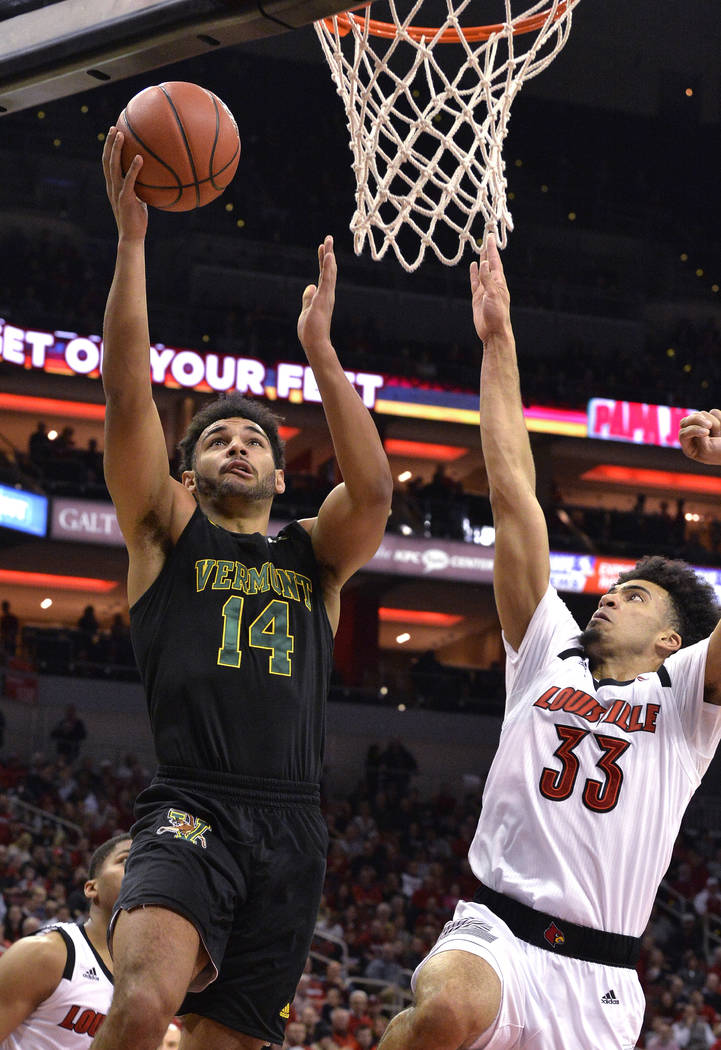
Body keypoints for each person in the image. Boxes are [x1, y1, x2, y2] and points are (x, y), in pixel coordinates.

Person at [377, 237, 721, 1050]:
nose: (607, 597)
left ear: (672, 638)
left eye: (631, 596)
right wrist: (497, 342)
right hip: (492, 931)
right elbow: (512, 493)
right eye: (611, 588)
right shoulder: (546, 650)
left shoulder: (685, 703)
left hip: (597, 979)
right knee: (445, 1011)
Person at [92, 126, 392, 1050]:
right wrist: (134, 241)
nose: (238, 445)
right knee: (144, 1004)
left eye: (255, 441)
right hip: (193, 800)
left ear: (277, 477)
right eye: (218, 439)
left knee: (229, 1044)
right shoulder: (163, 532)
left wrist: (321, 353)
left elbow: (373, 490)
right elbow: (126, 391)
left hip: (295, 825)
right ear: (185, 473)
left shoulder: (313, 554)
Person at [0, 833, 130, 1048]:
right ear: (91, 888)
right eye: (127, 860)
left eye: (148, 866)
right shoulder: (47, 953)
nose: (142, 873)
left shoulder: (147, 981)